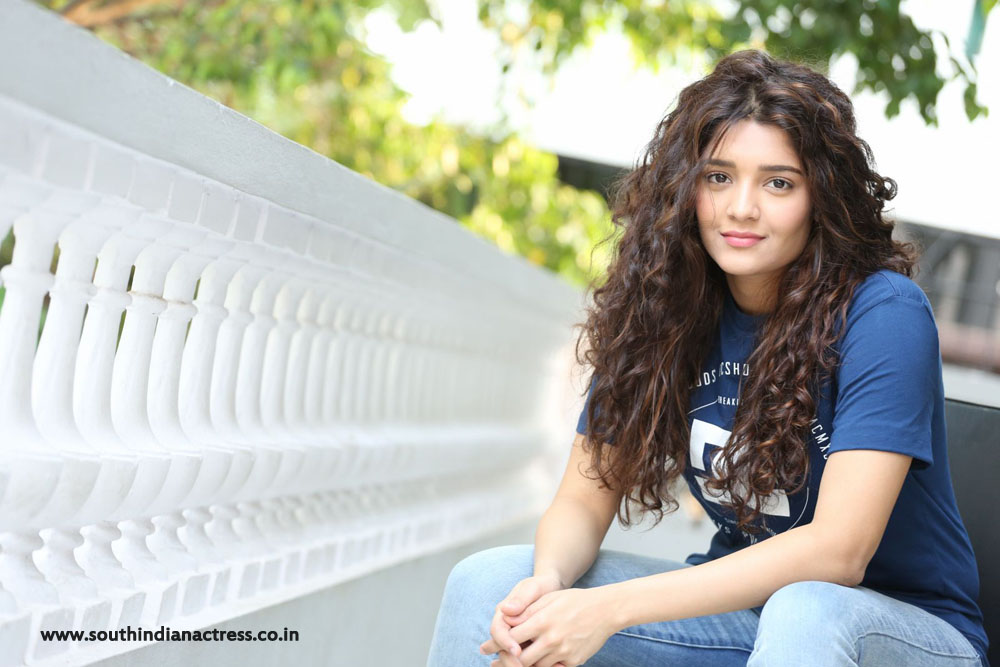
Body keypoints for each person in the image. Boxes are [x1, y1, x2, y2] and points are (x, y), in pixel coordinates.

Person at [426, 49, 989, 667]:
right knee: (489, 585)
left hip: (903, 631)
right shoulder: (665, 306)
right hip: (746, 618)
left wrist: (608, 609)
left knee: (806, 608)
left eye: (778, 183)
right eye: (718, 177)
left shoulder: (883, 314)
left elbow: (839, 551)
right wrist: (549, 584)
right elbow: (584, 499)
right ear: (686, 187)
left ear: (822, 197)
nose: (740, 207)